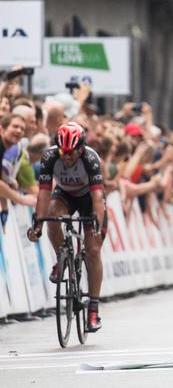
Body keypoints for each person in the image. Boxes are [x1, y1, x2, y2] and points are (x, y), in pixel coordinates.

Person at [27, 122, 107, 333]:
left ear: (80, 149)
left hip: (89, 198)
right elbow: (43, 193)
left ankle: (93, 309)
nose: (66, 156)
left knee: (93, 250)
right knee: (53, 217)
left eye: (71, 152)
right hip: (65, 195)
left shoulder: (91, 159)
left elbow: (98, 196)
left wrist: (97, 224)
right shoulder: (49, 157)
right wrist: (38, 224)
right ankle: (61, 257)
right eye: (62, 151)